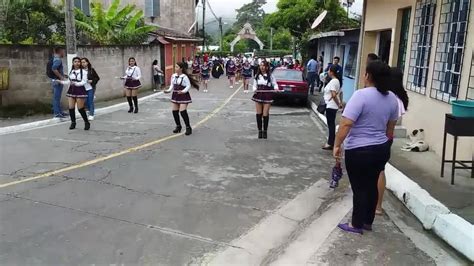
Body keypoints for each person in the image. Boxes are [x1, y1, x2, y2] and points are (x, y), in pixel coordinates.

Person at [334, 60, 399, 234]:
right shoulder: (392, 98)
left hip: (359, 150)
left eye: (364, 72)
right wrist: (384, 146)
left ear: (368, 75)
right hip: (381, 148)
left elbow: (346, 124)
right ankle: (367, 222)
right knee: (371, 185)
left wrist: (337, 144)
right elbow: (390, 129)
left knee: (359, 188)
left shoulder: (360, 96)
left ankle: (356, 224)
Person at [376, 67, 409, 215]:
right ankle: (378, 206)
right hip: (388, 137)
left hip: (378, 137)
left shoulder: (388, 97)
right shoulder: (400, 98)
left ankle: (372, 205)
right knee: (380, 171)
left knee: (374, 172)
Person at [164, 62, 200, 136]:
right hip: (175, 94)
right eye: (175, 67)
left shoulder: (184, 77)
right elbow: (172, 85)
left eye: (177, 67)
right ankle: (178, 126)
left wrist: (183, 91)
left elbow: (188, 86)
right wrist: (168, 91)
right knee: (174, 111)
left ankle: (188, 127)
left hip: (183, 95)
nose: (175, 68)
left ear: (181, 68)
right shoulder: (173, 76)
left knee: (182, 111)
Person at [252, 61, 281, 139]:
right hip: (258, 94)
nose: (262, 67)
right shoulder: (257, 75)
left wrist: (276, 88)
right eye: (261, 65)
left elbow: (275, 84)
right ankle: (259, 131)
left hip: (267, 95)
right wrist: (254, 89)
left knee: (265, 114)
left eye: (263, 66)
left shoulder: (270, 76)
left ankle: (265, 131)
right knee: (259, 114)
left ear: (267, 67)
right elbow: (254, 85)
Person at [62, 57, 90, 130]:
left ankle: (86, 122)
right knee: (71, 108)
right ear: (73, 63)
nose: (77, 63)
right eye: (75, 61)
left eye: (78, 62)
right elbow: (69, 81)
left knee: (80, 108)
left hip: (80, 90)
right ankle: (73, 123)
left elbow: (84, 82)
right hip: (71, 90)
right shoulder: (71, 71)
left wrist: (76, 83)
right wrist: (61, 82)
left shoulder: (83, 72)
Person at [322, 65, 343, 150]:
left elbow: (334, 95)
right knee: (331, 124)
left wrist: (339, 104)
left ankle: (330, 143)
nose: (328, 72)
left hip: (331, 105)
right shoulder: (336, 81)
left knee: (331, 125)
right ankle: (331, 141)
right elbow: (340, 93)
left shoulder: (334, 81)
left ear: (332, 72)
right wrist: (340, 103)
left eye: (329, 70)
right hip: (332, 105)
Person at [48, 47, 67, 119]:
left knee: (57, 97)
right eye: (63, 52)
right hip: (57, 81)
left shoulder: (54, 58)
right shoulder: (58, 59)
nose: (64, 53)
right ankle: (57, 113)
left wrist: (63, 75)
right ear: (60, 51)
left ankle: (59, 112)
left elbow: (56, 69)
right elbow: (54, 69)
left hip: (55, 80)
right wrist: (61, 77)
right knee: (57, 98)